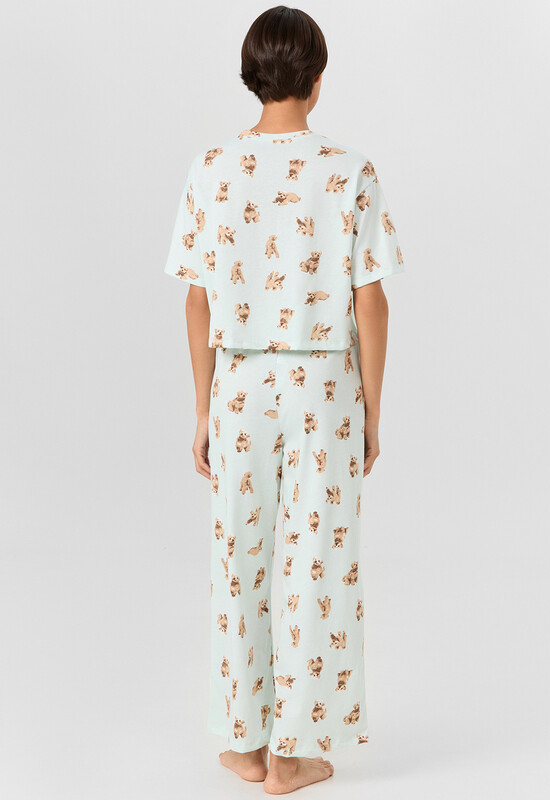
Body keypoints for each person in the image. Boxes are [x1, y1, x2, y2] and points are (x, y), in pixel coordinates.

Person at [164, 5, 404, 793]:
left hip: (237, 383)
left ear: (251, 75)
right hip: (323, 387)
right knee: (314, 561)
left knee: (239, 559)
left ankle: (245, 742)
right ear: (318, 78)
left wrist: (203, 409)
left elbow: (197, 298)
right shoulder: (350, 170)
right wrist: (372, 407)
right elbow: (371, 299)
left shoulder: (212, 167)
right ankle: (291, 753)